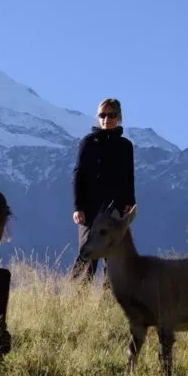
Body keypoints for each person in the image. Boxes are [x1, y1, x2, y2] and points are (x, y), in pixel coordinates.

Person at [70, 98, 136, 279]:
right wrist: (77, 207)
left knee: (113, 253)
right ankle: (75, 294)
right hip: (90, 208)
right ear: (98, 117)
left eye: (112, 115)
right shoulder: (88, 142)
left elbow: (128, 176)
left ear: (119, 118)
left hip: (115, 208)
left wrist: (130, 201)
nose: (107, 119)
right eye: (102, 115)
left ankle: (109, 294)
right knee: (88, 250)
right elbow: (78, 175)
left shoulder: (125, 146)